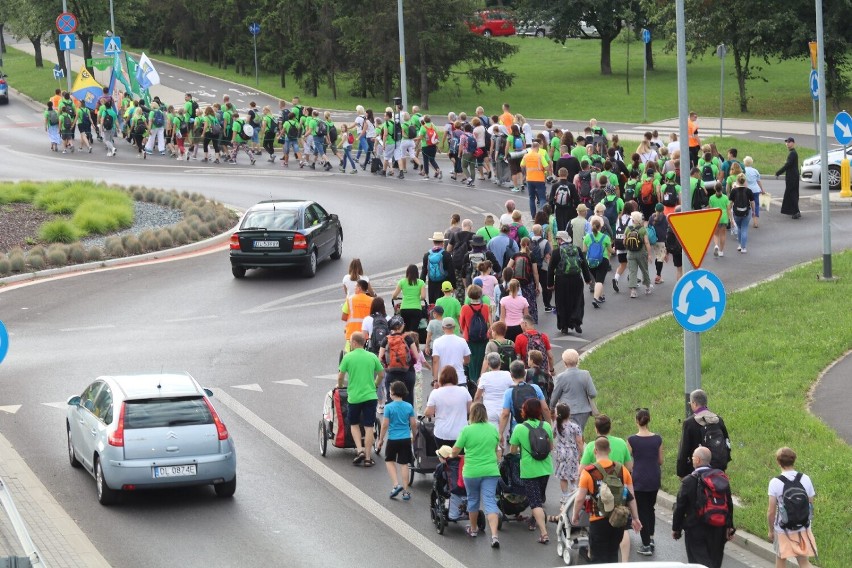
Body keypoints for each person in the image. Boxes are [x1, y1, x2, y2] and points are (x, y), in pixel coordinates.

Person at [572, 437, 642, 563]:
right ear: (609, 450)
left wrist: (575, 516)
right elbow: (631, 497)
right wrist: (636, 518)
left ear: (595, 451)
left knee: (598, 559)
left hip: (598, 521)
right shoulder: (622, 470)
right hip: (618, 520)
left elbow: (580, 498)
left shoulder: (588, 472)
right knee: (613, 555)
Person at [672, 447, 735, 568]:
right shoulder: (720, 478)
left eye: (693, 458)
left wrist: (676, 528)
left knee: (698, 563)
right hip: (718, 528)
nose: (692, 460)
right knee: (715, 561)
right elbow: (729, 503)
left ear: (698, 460)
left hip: (696, 529)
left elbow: (680, 507)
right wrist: (729, 526)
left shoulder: (689, 481)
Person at [451, 402, 502, 547]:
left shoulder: (467, 430)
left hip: (472, 471)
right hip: (491, 471)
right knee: (490, 501)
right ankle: (494, 536)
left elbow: (455, 451)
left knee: (473, 500)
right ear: (485, 414)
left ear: (471, 414)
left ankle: (473, 529)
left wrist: (454, 453)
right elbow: (497, 450)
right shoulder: (493, 429)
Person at [508, 398, 554, 544]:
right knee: (539, 497)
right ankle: (533, 522)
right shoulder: (546, 426)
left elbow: (513, 450)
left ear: (525, 411)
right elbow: (551, 447)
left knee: (535, 503)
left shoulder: (520, 428)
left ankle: (544, 533)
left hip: (529, 469)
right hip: (545, 467)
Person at [337, 332, 383, 467]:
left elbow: (340, 377)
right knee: (369, 426)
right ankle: (368, 458)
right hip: (370, 396)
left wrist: (339, 386)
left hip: (354, 397)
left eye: (351, 342)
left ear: (355, 343)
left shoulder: (348, 357)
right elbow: (381, 373)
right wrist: (375, 384)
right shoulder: (372, 356)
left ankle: (359, 450)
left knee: (354, 423)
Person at [767, 447, 818, 568]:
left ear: (778, 462)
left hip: (783, 528)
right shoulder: (805, 478)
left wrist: (770, 530)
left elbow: (771, 511)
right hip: (803, 526)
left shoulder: (775, 482)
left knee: (781, 559)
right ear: (794, 460)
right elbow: (810, 503)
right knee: (804, 562)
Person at [628, 408, 664, 556]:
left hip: (639, 479)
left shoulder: (631, 440)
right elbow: (660, 461)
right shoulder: (658, 439)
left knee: (641, 511)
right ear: (649, 420)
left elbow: (628, 461)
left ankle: (646, 544)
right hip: (654, 477)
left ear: (636, 421)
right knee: (650, 509)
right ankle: (651, 537)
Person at [676, 389, 732, 477]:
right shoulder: (718, 420)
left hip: (697, 472)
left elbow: (684, 450)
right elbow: (727, 443)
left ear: (694, 403)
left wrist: (681, 473)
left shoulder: (689, 423)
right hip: (718, 471)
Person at [377, 381, 417, 500]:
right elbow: (413, 424)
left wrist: (380, 439)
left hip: (393, 438)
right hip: (405, 438)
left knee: (389, 460)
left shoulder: (389, 407)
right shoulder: (409, 406)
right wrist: (414, 436)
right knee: (404, 464)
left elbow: (384, 425)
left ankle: (396, 485)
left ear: (393, 393)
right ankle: (405, 491)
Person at [498, 360, 551, 445]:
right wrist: (549, 426)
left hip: (518, 427)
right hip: (536, 427)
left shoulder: (509, 392)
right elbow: (545, 409)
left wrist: (500, 433)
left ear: (511, 375)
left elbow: (505, 414)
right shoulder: (535, 388)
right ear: (524, 373)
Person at [548, 231, 592, 335]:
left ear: (560, 240)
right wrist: (587, 278)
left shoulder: (556, 252)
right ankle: (576, 321)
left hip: (561, 280)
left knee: (562, 303)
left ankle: (564, 326)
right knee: (577, 300)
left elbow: (551, 269)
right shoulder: (577, 249)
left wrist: (550, 284)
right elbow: (584, 264)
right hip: (576, 279)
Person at [549, 349, 598, 432]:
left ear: (564, 363)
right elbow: (593, 393)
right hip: (584, 410)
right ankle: (580, 444)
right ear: (577, 360)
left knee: (570, 434)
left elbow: (555, 396)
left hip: (567, 411)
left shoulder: (561, 377)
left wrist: (552, 408)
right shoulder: (585, 374)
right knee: (580, 432)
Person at [425, 366, 472, 447]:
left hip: (442, 433)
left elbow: (428, 413)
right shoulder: (464, 391)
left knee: (444, 457)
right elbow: (470, 410)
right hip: (461, 433)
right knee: (461, 458)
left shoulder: (435, 393)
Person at [378, 315, 418, 406]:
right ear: (402, 326)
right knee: (408, 398)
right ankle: (408, 419)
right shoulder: (408, 338)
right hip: (408, 372)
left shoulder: (386, 339)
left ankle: (391, 418)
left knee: (391, 398)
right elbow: (416, 356)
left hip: (391, 373)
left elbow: (380, 358)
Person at [459, 285, 490, 386]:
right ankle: (481, 379)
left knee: (471, 360)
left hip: (470, 338)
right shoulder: (485, 307)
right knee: (482, 358)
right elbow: (488, 322)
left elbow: (461, 324)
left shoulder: (465, 308)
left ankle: (472, 381)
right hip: (483, 337)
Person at [553, 402, 583, 503]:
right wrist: (581, 453)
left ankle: (564, 495)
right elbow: (579, 441)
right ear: (569, 414)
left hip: (560, 453)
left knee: (563, 475)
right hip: (572, 452)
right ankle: (574, 489)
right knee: (573, 473)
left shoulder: (556, 425)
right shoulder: (575, 427)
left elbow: (552, 436)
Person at [474, 352, 514, 427]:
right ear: (500, 363)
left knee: (492, 435)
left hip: (489, 410)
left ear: (488, 365)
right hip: (505, 409)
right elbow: (513, 389)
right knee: (504, 436)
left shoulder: (484, 376)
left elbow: (477, 396)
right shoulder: (507, 374)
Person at [431, 318, 471, 388]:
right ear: (454, 327)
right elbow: (467, 360)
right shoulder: (462, 341)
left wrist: (435, 380)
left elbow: (435, 361)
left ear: (443, 328)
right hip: (459, 378)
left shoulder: (437, 342)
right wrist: (462, 362)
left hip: (443, 379)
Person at [582, 217, 613, 307]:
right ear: (600, 227)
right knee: (600, 280)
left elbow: (584, 250)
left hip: (591, 261)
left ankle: (601, 296)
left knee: (597, 280)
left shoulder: (587, 237)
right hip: (603, 260)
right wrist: (613, 250)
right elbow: (610, 250)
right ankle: (596, 298)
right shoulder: (605, 237)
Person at [624, 210, 653, 299]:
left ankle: (633, 291)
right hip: (641, 252)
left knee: (632, 271)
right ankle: (647, 287)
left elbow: (624, 241)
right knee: (644, 270)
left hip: (631, 253)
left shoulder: (628, 228)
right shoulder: (642, 229)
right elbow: (647, 242)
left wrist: (628, 248)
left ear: (633, 220)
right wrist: (649, 254)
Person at [422, 232, 456, 304]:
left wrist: (421, 284)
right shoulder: (446, 255)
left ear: (433, 242)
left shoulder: (427, 255)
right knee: (444, 304)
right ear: (443, 242)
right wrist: (453, 286)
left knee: (433, 304)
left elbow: (424, 271)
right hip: (444, 283)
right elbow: (451, 272)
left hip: (432, 283)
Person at [391, 264, 427, 333]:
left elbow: (394, 296)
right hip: (416, 309)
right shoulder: (421, 282)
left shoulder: (402, 282)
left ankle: (406, 343)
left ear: (407, 272)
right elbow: (423, 297)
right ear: (417, 273)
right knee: (413, 331)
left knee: (405, 330)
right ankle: (413, 343)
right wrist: (416, 298)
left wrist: (396, 298)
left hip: (404, 309)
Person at [729, 173, 756, 253]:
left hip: (736, 212)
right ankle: (743, 248)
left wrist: (729, 211)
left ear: (737, 181)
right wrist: (753, 211)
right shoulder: (749, 191)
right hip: (746, 212)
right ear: (745, 181)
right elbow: (752, 202)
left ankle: (740, 245)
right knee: (744, 228)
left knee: (739, 227)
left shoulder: (734, 191)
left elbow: (730, 203)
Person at [341, 280, 373, 346]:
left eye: (355, 287)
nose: (354, 289)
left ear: (359, 288)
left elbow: (344, 317)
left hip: (352, 333)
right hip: (366, 334)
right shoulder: (372, 300)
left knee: (349, 353)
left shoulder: (350, 299)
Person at [776, 137, 801, 219]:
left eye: (789, 142)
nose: (787, 143)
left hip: (792, 177)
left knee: (792, 194)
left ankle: (795, 212)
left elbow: (788, 165)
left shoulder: (793, 153)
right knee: (792, 194)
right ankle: (796, 211)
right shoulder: (792, 153)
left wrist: (778, 172)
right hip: (793, 176)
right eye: (786, 142)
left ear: (793, 143)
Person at [742, 156, 766, 228]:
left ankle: (744, 220)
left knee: (745, 205)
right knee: (756, 205)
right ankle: (755, 222)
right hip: (755, 190)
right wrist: (762, 189)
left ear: (744, 163)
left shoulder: (743, 171)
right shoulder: (755, 171)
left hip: (746, 190)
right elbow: (758, 181)